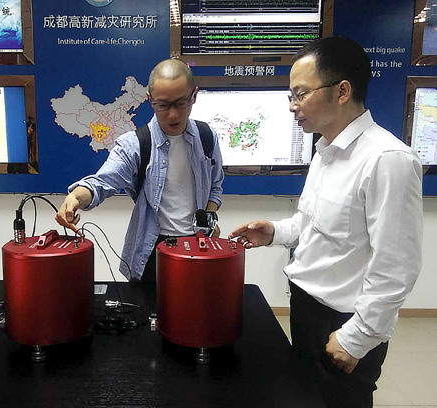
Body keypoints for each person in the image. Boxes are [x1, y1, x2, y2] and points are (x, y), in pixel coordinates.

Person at [228, 37, 423, 408]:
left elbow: (396, 266)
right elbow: (311, 222)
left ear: (342, 91)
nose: (292, 106)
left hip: (344, 320)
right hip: (306, 308)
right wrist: (274, 232)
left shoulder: (388, 159)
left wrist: (357, 338)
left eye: (300, 94)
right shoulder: (325, 151)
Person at [56, 59, 224, 283]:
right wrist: (76, 197)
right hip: (152, 249)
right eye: (163, 105)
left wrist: (209, 216)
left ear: (194, 95)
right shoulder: (135, 144)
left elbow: (215, 184)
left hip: (198, 243)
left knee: (195, 314)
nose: (173, 115)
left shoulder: (206, 137)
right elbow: (103, 182)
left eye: (181, 103)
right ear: (149, 100)